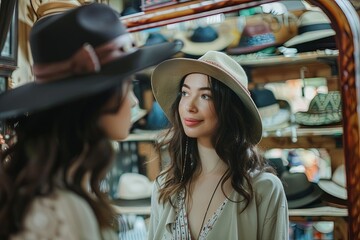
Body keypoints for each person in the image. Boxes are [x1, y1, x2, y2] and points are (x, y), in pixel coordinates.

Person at [0, 3, 182, 239]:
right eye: (128, 86)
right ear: (98, 100)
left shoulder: (57, 189)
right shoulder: (62, 210)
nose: (135, 102)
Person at [149, 50, 289, 239]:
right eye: (185, 93)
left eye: (206, 96)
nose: (189, 106)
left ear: (229, 109)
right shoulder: (166, 186)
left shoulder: (264, 189)